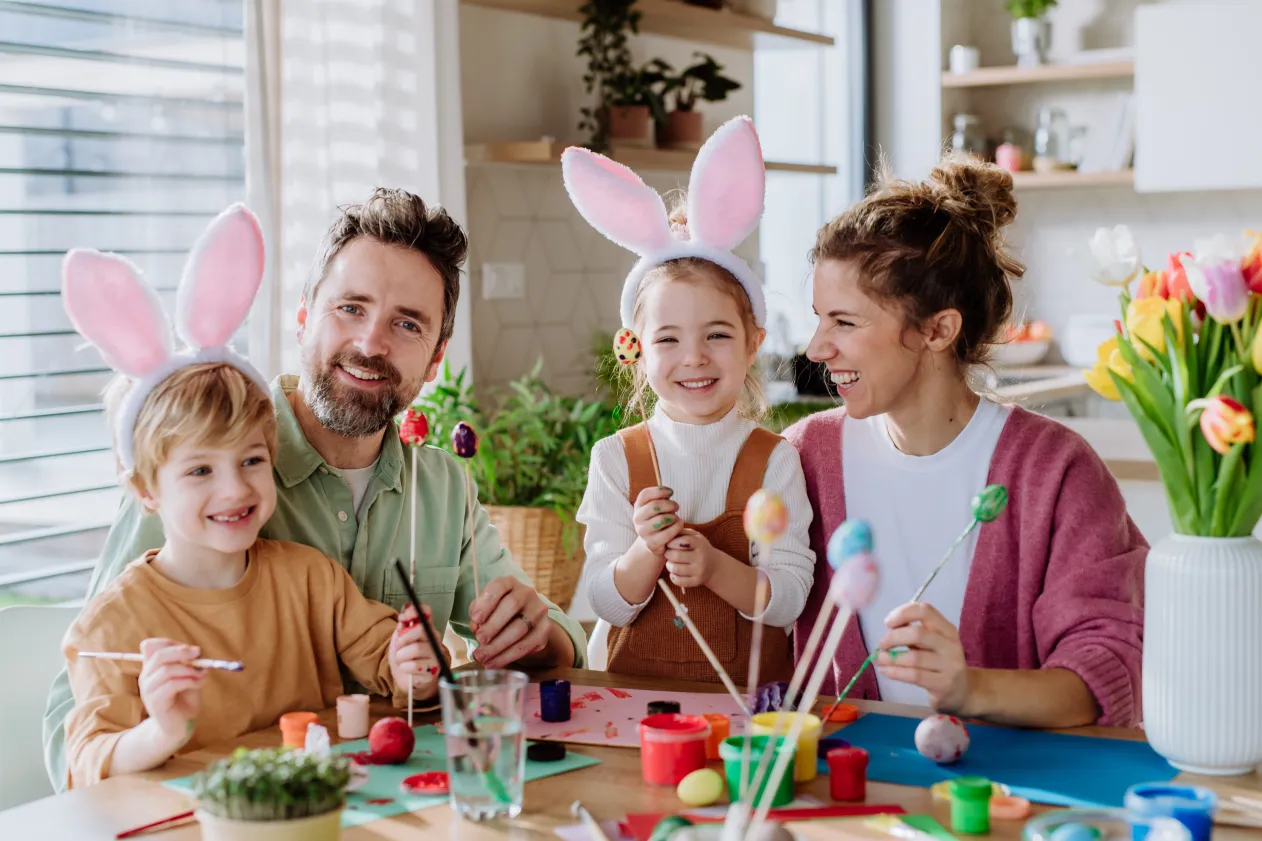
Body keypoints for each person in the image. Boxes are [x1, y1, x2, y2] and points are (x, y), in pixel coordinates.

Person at [43, 190, 587, 789]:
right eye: (350, 308)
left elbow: (559, 643)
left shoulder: (441, 486)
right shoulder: (197, 470)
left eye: (406, 324)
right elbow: (68, 733)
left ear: (435, 361)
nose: (371, 343)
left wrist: (539, 637)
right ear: (303, 315)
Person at [786, 154, 1145, 729]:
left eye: (844, 322)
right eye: (819, 318)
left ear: (938, 329)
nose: (816, 347)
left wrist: (969, 688)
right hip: (841, 791)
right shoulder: (802, 457)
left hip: (1001, 799)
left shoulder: (1053, 471)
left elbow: (1108, 671)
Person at [568, 117, 814, 683]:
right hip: (631, 710)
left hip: (746, 715)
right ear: (635, 348)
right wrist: (644, 553)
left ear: (754, 343)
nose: (694, 357)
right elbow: (604, 603)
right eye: (668, 339)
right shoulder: (615, 459)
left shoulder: (773, 460)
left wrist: (715, 569)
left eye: (717, 335)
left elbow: (791, 597)